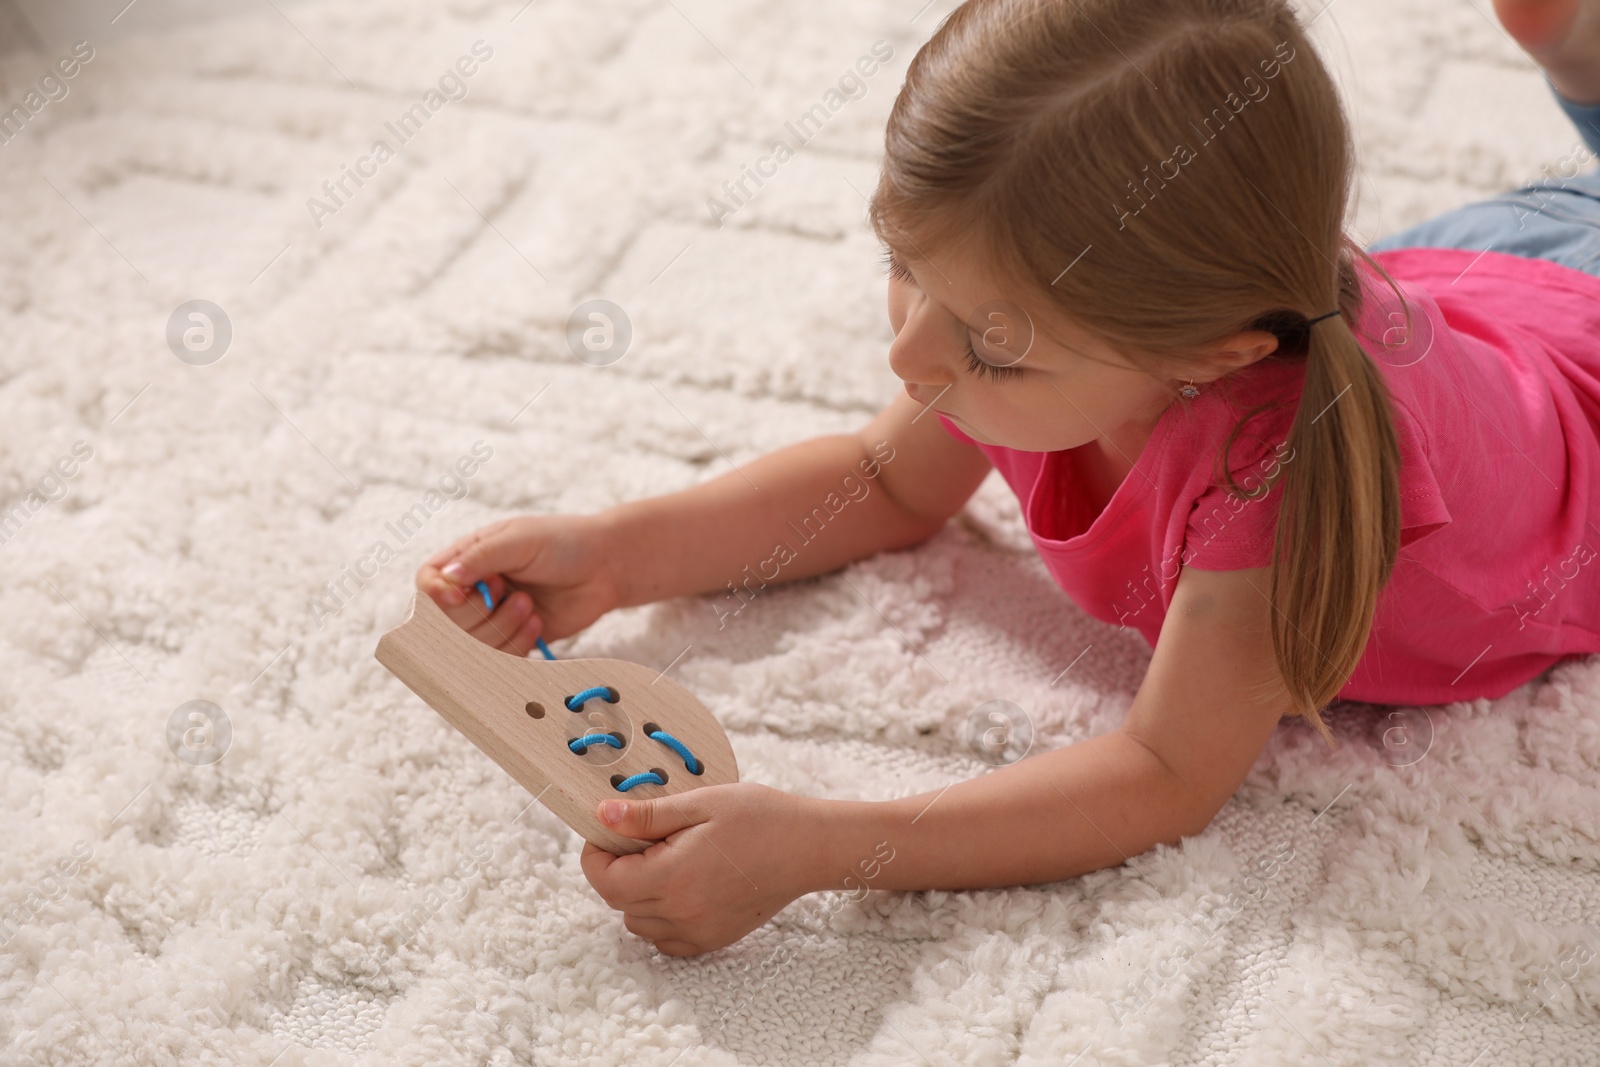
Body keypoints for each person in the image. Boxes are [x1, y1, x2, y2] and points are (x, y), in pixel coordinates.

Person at [414, 0, 1600, 956]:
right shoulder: (1105, 317)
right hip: (1476, 280)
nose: (908, 356)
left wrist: (824, 844)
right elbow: (881, 482)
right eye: (900, 265)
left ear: (1209, 355)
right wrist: (613, 551)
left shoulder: (1274, 471)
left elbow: (1164, 771)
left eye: (986, 346)